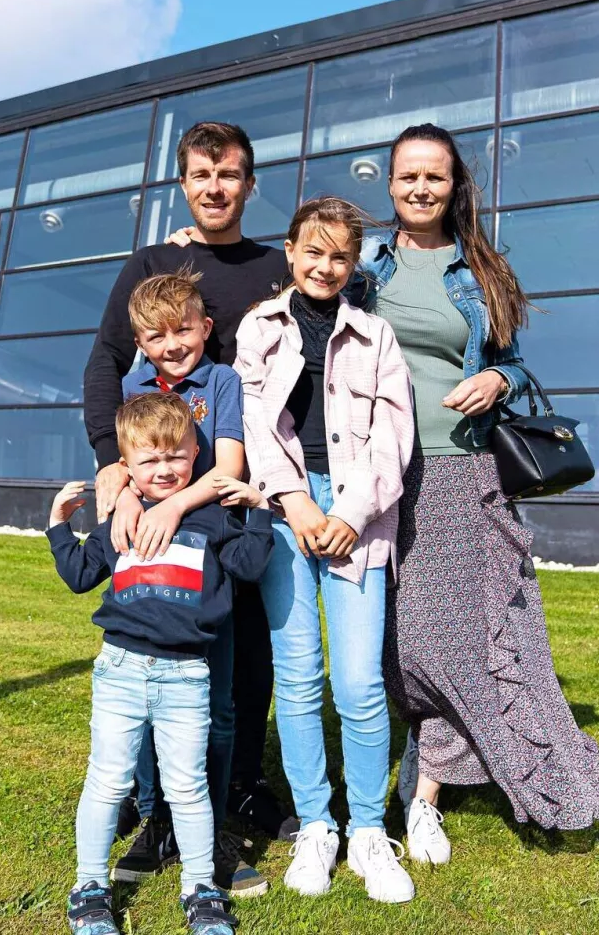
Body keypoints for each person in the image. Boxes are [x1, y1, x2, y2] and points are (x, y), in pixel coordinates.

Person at [352, 123, 599, 861]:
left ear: (453, 186)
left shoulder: (479, 270)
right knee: (388, 642)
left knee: (456, 637)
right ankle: (403, 774)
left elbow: (519, 362)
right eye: (409, 176)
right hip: (376, 475)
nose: (420, 188)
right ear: (391, 184)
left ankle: (426, 799)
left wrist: (499, 377)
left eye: (434, 177)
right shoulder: (364, 267)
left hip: (456, 471)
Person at [82, 122, 295, 887]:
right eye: (201, 174)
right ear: (184, 182)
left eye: (229, 174)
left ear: (249, 181)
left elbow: (342, 285)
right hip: (158, 496)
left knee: (243, 655)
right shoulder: (153, 263)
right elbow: (107, 363)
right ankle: (158, 806)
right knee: (154, 645)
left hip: (235, 499)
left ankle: (236, 789)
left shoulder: (277, 267)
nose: (215, 187)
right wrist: (113, 466)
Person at [233, 197, 418, 903]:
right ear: (290, 251)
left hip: (357, 516)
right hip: (285, 513)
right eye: (313, 251)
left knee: (361, 683)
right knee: (301, 676)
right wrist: (296, 501)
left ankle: (369, 828)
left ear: (353, 263)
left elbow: (392, 437)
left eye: (340, 255)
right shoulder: (259, 327)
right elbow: (255, 421)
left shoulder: (376, 337)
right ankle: (318, 824)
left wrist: (348, 510)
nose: (325, 265)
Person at [48, 391, 274, 935]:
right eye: (149, 460)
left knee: (189, 787)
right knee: (105, 781)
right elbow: (81, 575)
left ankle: (201, 889)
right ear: (127, 468)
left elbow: (247, 566)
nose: (165, 469)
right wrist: (59, 525)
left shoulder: (215, 519)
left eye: (176, 456)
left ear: (196, 452)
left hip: (187, 676)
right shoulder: (119, 520)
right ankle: (90, 887)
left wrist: (258, 511)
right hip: (120, 671)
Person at [107, 269, 262, 895]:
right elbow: (125, 462)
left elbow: (228, 470)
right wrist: (121, 499)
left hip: (208, 556)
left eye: (182, 330)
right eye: (155, 335)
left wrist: (172, 506)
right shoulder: (132, 386)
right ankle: (157, 820)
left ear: (206, 327)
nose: (171, 344)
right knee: (144, 700)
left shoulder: (221, 382)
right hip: (147, 561)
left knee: (216, 703)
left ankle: (213, 823)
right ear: (140, 342)